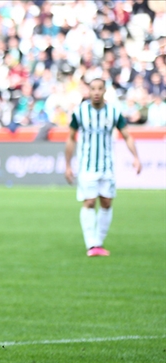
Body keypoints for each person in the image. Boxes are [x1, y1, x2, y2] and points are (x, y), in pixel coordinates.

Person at [64, 78, 142, 256]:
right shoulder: (80, 112)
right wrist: (67, 164)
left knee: (106, 202)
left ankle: (98, 242)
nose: (96, 92)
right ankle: (91, 244)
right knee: (89, 201)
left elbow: (127, 136)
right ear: (89, 91)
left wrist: (136, 157)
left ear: (105, 91)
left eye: (100, 88)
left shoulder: (114, 112)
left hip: (107, 166)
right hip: (87, 166)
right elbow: (70, 138)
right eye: (93, 89)